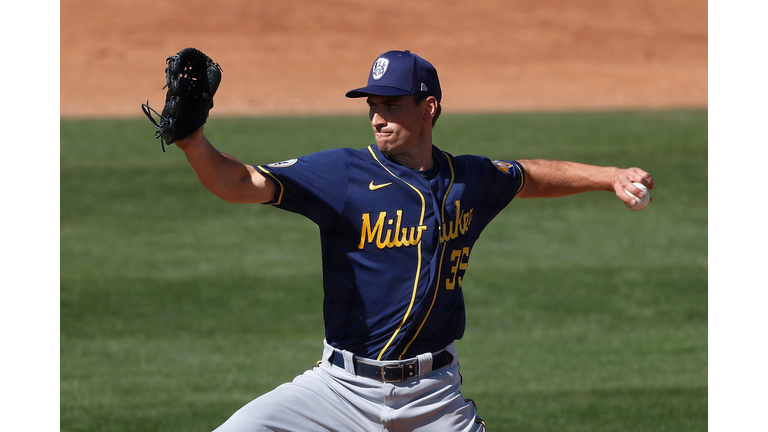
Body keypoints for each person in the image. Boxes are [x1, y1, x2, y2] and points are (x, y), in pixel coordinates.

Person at [173, 50, 654, 432]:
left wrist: (609, 176)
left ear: (429, 108)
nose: (378, 118)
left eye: (391, 105)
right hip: (339, 391)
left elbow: (527, 175)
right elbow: (237, 184)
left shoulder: (468, 179)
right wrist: (193, 139)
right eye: (373, 107)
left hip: (435, 399)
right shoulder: (343, 173)